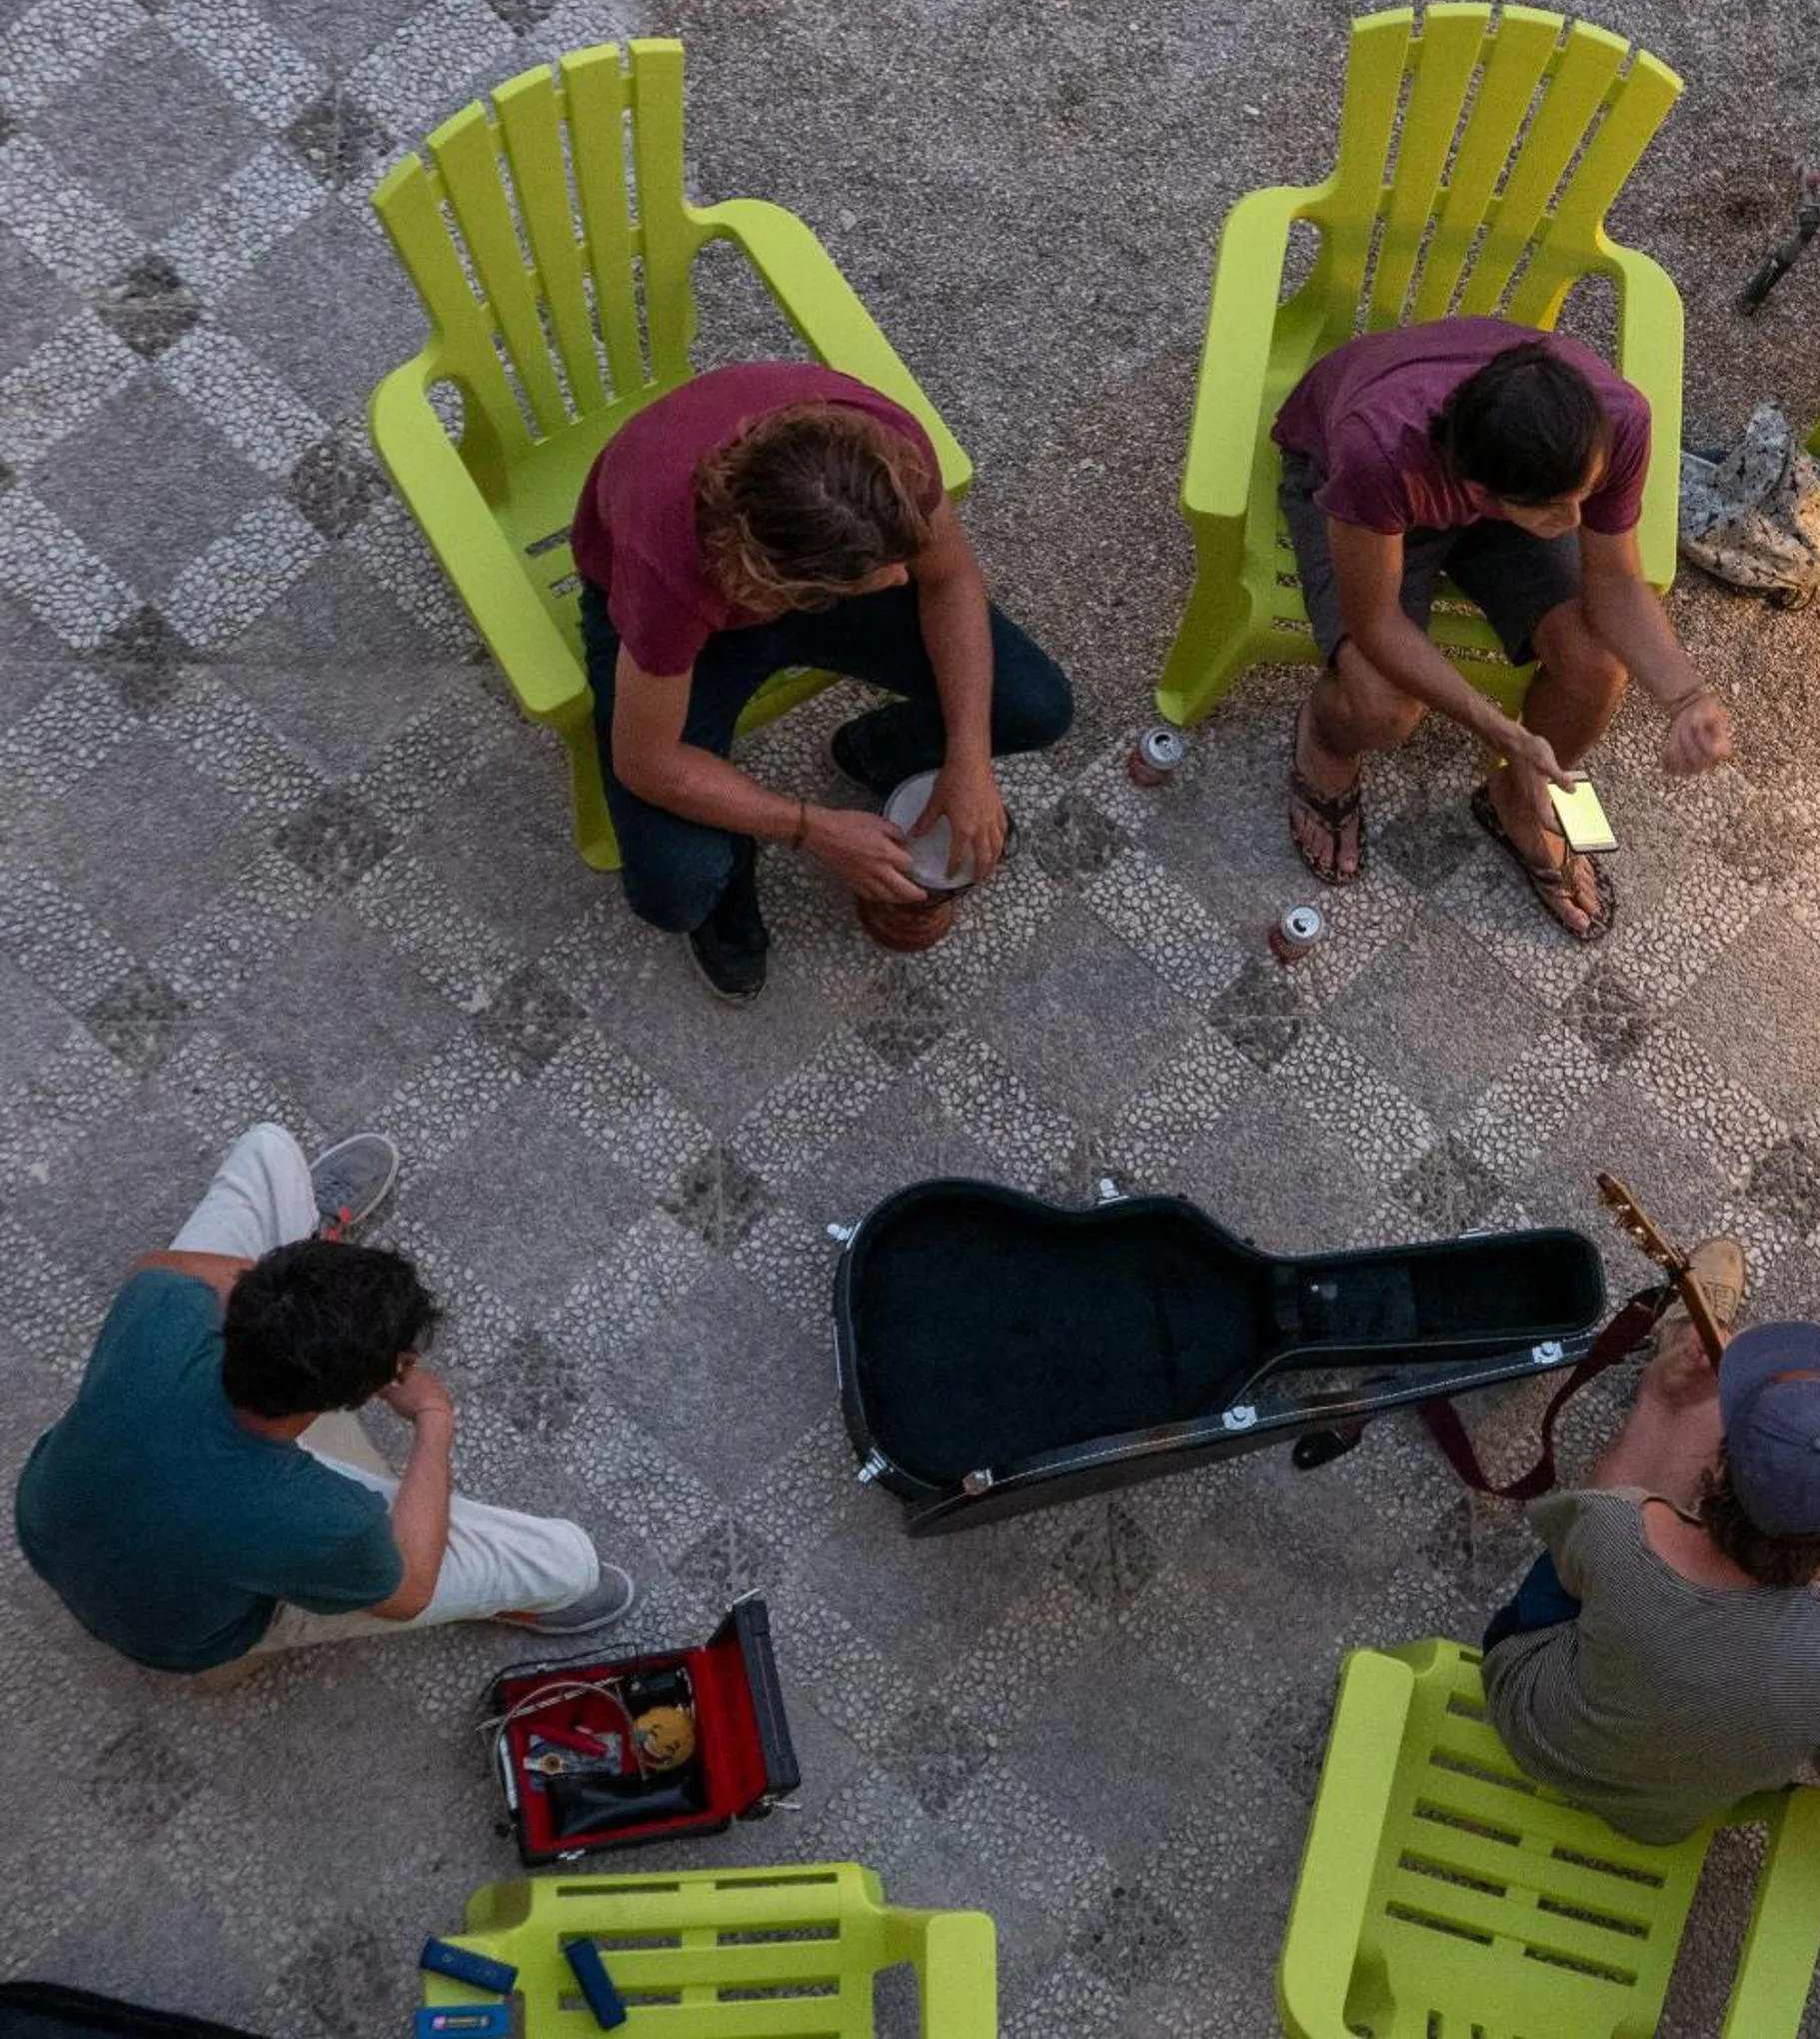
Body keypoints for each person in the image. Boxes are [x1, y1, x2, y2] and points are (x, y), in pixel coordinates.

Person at [14, 1126, 633, 1674]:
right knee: (569, 1563)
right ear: (357, 1396)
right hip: (181, 1637)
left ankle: (309, 1241)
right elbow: (410, 1586)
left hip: (47, 1527)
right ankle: (521, 1596)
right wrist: (433, 1419)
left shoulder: (164, 1306)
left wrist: (294, 1296)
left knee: (268, 1150)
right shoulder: (329, 1521)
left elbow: (160, 1265)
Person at [572, 361, 1074, 1001]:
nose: (900, 580)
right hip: (692, 594)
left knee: (1035, 707)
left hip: (794, 562)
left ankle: (875, 752)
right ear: (782, 589)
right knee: (675, 887)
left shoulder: (881, 460)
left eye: (897, 556)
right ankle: (731, 854)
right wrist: (811, 828)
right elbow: (646, 762)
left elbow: (946, 578)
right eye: (877, 573)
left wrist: (968, 758)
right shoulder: (671, 573)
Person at [1479, 1255, 1820, 1849]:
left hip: (1529, 1718)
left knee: (1694, 1413)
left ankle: (1672, 1368)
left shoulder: (1622, 1527)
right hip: (1655, 1819)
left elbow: (1576, 1544)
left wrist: (1660, 1403)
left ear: (1719, 1473)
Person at [1274, 322, 1734, 943]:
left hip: (1506, 485)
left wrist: (1686, 696)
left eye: (1584, 495)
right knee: (1382, 711)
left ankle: (1515, 802)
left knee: (1597, 668)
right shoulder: (1378, 450)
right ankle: (1325, 742)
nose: (1576, 521)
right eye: (1556, 509)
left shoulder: (1615, 420)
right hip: (1365, 489)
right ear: (1478, 493)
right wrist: (1504, 731)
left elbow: (1616, 584)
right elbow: (1376, 622)